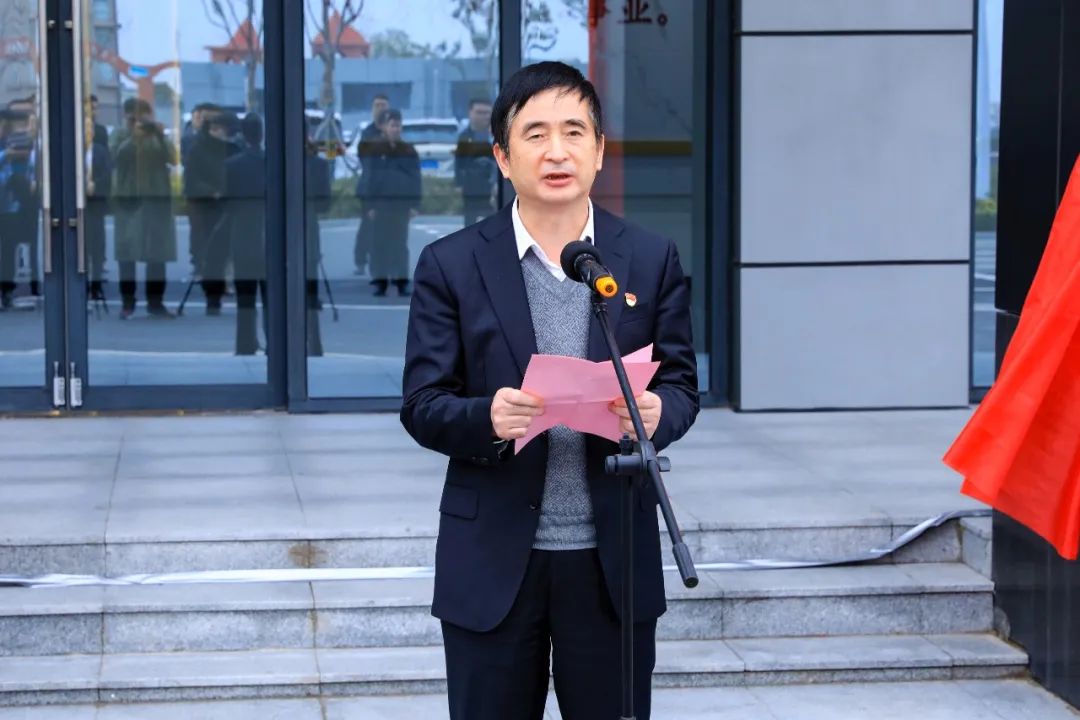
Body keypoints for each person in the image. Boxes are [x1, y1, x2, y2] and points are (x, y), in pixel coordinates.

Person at [400, 61, 699, 720]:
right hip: (493, 560)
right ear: (503, 158)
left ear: (599, 151)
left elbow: (681, 383)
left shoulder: (650, 258)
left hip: (612, 560)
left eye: (573, 132)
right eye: (535, 134)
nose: (557, 151)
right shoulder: (452, 263)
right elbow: (422, 404)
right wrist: (487, 418)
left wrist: (657, 412)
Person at [112, 99, 177, 319]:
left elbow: (173, 158)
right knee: (127, 253)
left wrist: (159, 134)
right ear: (127, 116)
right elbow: (116, 157)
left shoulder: (157, 135)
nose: (141, 119)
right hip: (129, 202)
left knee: (157, 252)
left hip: (157, 200)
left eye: (144, 114)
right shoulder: (120, 135)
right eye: (135, 115)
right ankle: (127, 302)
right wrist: (134, 137)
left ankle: (155, 302)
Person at [361, 108, 420, 297]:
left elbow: (415, 179)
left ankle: (401, 281)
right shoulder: (375, 150)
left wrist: (415, 205)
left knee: (400, 244)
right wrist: (369, 206)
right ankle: (380, 282)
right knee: (379, 244)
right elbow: (368, 178)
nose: (395, 129)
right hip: (380, 205)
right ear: (385, 127)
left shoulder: (408, 150)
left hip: (401, 206)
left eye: (398, 125)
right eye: (392, 125)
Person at [184, 106, 237, 314]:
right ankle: (213, 292)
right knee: (211, 250)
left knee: (228, 248)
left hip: (228, 203)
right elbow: (191, 179)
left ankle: (226, 282)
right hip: (206, 206)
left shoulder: (232, 148)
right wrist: (211, 191)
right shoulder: (198, 148)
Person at [224, 113, 267, 355]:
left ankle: (245, 343)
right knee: (272, 297)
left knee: (245, 298)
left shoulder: (232, 165)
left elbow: (226, 203)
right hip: (268, 235)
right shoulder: (271, 162)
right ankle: (274, 341)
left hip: (242, 235)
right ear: (261, 133)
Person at [0, 103, 39, 309]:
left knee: (8, 248)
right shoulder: (7, 148)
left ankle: (6, 290)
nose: (6, 128)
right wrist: (5, 155)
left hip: (9, 205)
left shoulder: (12, 143)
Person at [353, 93, 390, 275]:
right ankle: (360, 260)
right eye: (377, 105)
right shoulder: (367, 133)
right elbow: (364, 158)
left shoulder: (392, 130)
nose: (380, 109)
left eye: (383, 105)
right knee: (367, 225)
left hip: (388, 188)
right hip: (369, 186)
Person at [454, 98, 497, 226]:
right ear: (470, 113)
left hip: (491, 187)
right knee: (470, 223)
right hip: (471, 187)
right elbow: (459, 161)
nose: (484, 116)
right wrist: (459, 184)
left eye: (487, 113)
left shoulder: (495, 135)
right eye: (479, 112)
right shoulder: (464, 136)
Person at [86, 95, 113, 303]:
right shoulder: (72, 151)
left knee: (97, 244)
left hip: (96, 203)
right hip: (78, 205)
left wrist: (97, 184)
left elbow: (108, 172)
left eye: (90, 129)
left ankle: (96, 284)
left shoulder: (101, 149)